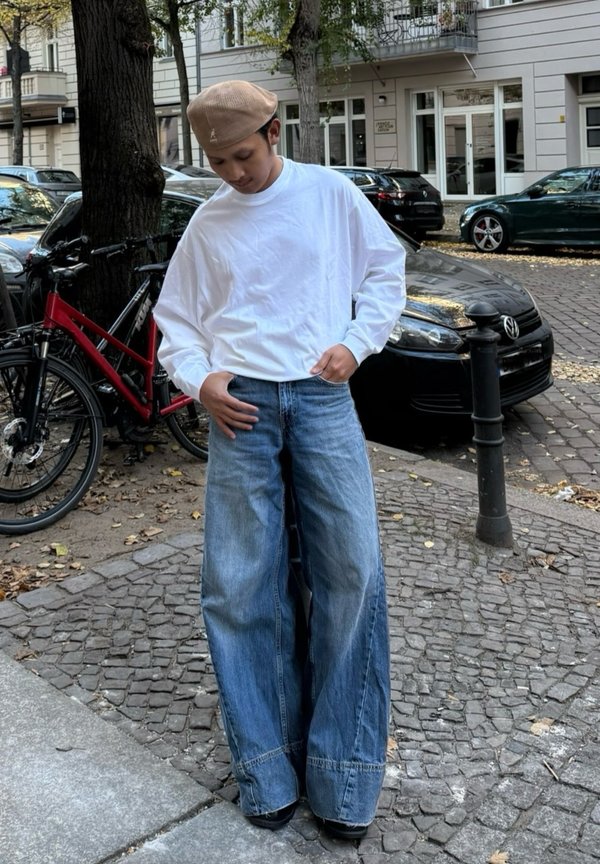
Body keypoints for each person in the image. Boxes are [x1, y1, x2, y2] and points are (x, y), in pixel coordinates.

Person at [154, 80, 406, 840]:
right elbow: (177, 321)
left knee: (351, 574)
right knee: (239, 586)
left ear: (273, 132)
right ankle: (266, 765)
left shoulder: (329, 195)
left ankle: (345, 777)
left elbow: (385, 273)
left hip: (324, 398)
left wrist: (357, 343)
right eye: (217, 161)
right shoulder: (208, 221)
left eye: (241, 155)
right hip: (242, 412)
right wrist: (200, 381)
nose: (232, 173)